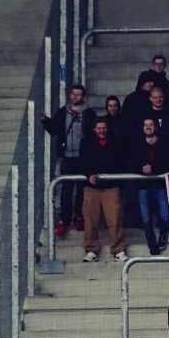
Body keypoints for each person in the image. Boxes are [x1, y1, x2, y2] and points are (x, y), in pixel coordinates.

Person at [41, 83, 94, 238]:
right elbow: (53, 130)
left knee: (81, 190)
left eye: (78, 94)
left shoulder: (89, 114)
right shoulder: (63, 112)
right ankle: (64, 220)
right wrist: (45, 120)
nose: (75, 97)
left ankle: (79, 217)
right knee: (66, 190)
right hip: (67, 157)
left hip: (83, 158)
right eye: (73, 94)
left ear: (83, 97)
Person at [80, 117, 129, 263]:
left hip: (111, 186)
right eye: (99, 128)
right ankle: (91, 250)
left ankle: (118, 250)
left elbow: (121, 162)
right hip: (91, 188)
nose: (102, 131)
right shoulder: (86, 142)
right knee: (90, 220)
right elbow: (82, 162)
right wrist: (89, 174)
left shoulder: (116, 141)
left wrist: (117, 181)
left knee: (114, 219)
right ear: (94, 129)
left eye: (104, 128)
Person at [132, 118, 169, 258]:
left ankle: (163, 234)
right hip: (144, 189)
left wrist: (153, 169)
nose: (148, 127)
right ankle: (153, 249)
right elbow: (132, 165)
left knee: (165, 218)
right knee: (146, 220)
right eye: (145, 125)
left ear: (156, 127)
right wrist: (141, 169)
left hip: (161, 188)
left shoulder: (165, 145)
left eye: (151, 125)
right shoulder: (138, 145)